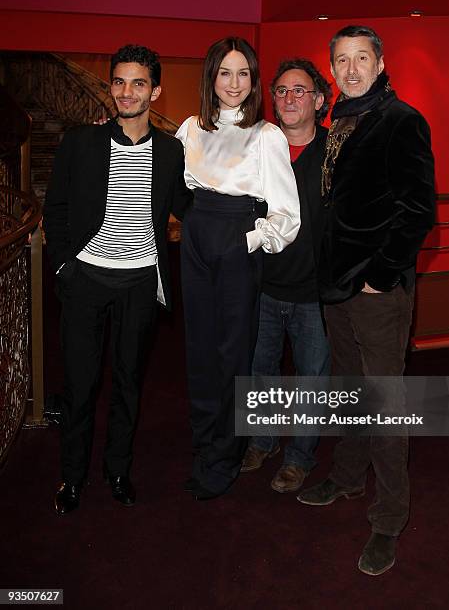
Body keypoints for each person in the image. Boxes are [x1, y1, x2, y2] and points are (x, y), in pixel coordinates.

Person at [297, 26, 435, 575]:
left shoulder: (401, 121)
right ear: (331, 68)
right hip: (337, 287)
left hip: (377, 291)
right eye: (341, 60)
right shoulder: (339, 121)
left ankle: (389, 518)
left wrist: (381, 274)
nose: (350, 69)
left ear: (380, 63)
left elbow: (418, 209)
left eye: (361, 58)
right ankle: (349, 477)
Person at [43, 44, 190, 515]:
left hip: (140, 284)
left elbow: (189, 208)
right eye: (120, 82)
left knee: (129, 383)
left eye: (138, 83)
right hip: (85, 280)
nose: (127, 92)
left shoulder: (171, 152)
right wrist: (65, 266)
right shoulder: (80, 142)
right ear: (111, 87)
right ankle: (71, 477)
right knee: (80, 384)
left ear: (156, 91)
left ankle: (119, 470)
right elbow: (57, 209)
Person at [175, 37, 300, 501]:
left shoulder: (266, 135)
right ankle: (205, 444)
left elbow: (288, 213)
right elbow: (173, 187)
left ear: (254, 81)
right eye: (225, 72)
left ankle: (225, 456)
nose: (233, 83)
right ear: (211, 77)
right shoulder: (191, 128)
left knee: (233, 355)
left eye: (243, 73)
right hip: (196, 240)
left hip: (237, 244)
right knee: (198, 351)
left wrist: (246, 239)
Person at [240, 59, 332, 493]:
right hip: (261, 286)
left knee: (312, 381)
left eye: (300, 90)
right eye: (280, 90)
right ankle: (262, 440)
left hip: (316, 294)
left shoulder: (337, 154)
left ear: (318, 100)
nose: (289, 98)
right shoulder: (255, 151)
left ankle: (300, 458)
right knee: (260, 372)